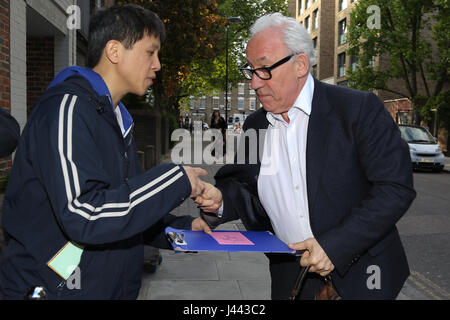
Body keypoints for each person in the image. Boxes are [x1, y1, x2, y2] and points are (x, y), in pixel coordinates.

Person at [196, 13, 416, 300]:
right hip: (290, 274)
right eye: (250, 70)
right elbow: (243, 187)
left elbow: (395, 187)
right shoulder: (256, 125)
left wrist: (335, 246)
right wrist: (220, 200)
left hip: (361, 275)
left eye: (264, 69)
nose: (254, 83)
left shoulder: (357, 110)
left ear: (300, 65)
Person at [0, 4, 210, 300]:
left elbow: (120, 208)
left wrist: (183, 231)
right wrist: (176, 179)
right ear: (114, 51)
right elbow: (85, 214)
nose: (158, 64)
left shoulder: (116, 119)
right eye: (150, 52)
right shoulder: (67, 110)